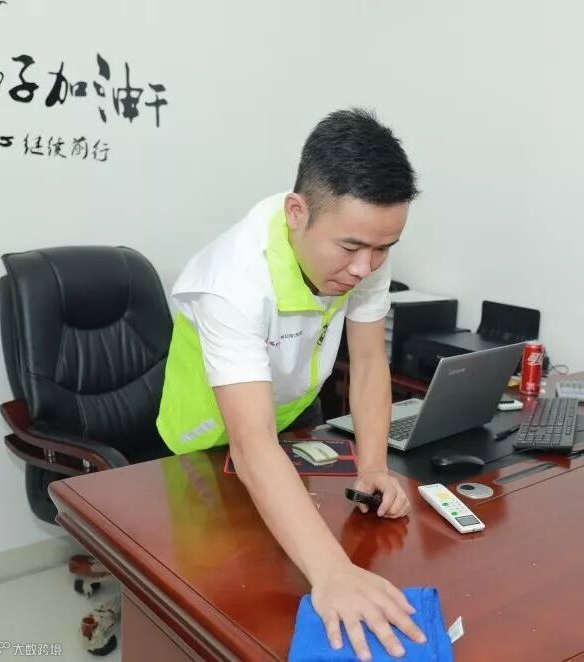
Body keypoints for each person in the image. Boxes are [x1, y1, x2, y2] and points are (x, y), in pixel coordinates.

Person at [157, 108, 426, 660]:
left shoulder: (363, 257)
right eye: (351, 248)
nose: (366, 267)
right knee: (225, 595)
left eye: (384, 248)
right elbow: (250, 445)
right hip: (205, 439)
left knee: (284, 587)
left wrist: (374, 466)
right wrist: (333, 573)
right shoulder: (231, 281)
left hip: (286, 418)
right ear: (297, 213)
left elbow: (369, 361)